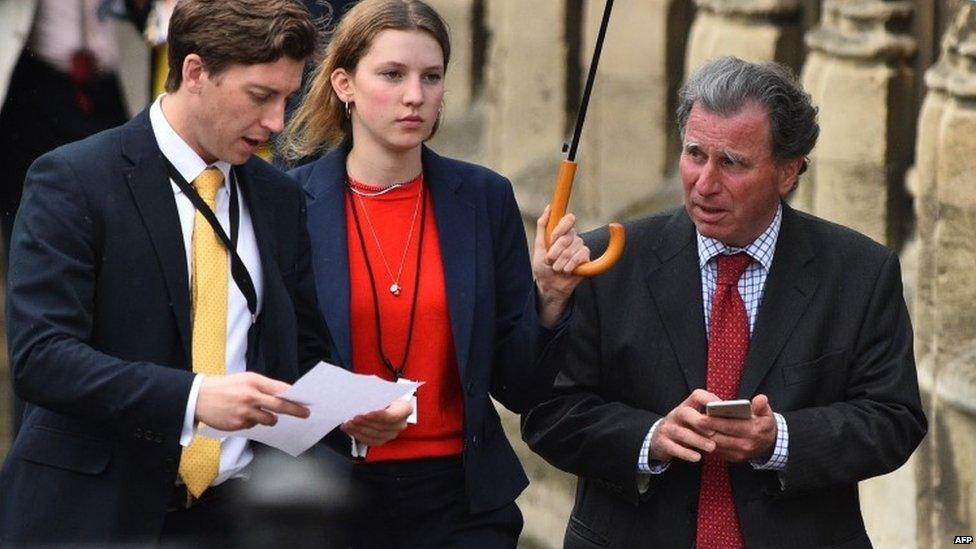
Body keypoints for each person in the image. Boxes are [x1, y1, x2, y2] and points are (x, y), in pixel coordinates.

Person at [0, 0, 406, 544]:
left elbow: (301, 353)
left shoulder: (279, 198)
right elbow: (42, 357)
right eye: (260, 96)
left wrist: (349, 413)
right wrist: (194, 399)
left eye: (287, 98)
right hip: (92, 520)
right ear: (194, 71)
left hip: (234, 520)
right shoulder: (72, 180)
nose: (275, 124)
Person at [521, 56, 927, 549]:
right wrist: (652, 437)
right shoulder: (607, 262)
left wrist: (778, 438)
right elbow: (550, 413)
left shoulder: (860, 272)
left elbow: (893, 419)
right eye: (695, 155)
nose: (705, 183)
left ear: (788, 172)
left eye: (732, 163)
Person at [282, 0, 589, 546]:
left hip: (460, 502)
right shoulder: (288, 204)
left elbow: (519, 386)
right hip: (328, 499)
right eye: (393, 75)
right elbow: (268, 362)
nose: (415, 97)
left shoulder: (483, 198)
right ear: (344, 84)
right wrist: (338, 415)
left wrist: (549, 295)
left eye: (432, 77)